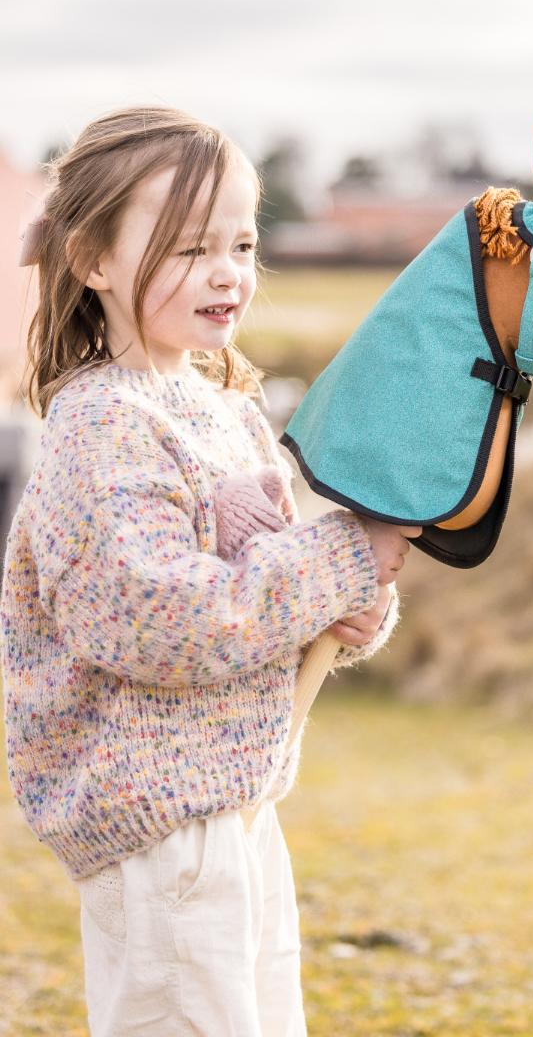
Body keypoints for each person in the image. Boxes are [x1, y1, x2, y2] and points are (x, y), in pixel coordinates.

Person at [0, 104, 421, 1035]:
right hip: (159, 824)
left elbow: (277, 572)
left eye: (241, 242)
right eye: (189, 249)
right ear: (94, 262)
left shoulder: (220, 403)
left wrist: (351, 606)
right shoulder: (105, 425)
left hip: (235, 803)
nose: (228, 271)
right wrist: (340, 559)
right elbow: (162, 621)